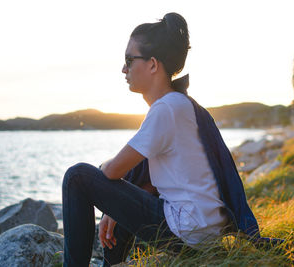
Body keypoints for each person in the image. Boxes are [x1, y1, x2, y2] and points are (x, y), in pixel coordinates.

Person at [62, 12, 260, 267]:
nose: (124, 69)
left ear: (153, 65)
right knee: (122, 196)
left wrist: (102, 173)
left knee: (77, 176)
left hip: (188, 232)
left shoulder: (166, 109)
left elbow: (112, 171)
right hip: (202, 232)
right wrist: (113, 207)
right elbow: (153, 185)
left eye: (129, 60)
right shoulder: (180, 105)